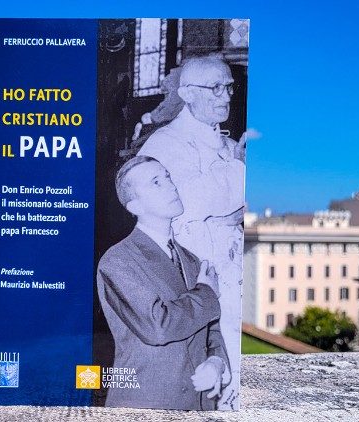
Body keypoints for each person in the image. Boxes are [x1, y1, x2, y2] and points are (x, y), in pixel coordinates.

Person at [137, 55, 245, 409]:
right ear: (186, 93)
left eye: (228, 87)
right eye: (214, 87)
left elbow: (237, 204)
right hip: (197, 268)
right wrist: (238, 172)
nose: (224, 96)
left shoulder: (227, 144)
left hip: (233, 261)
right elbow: (195, 202)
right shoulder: (164, 143)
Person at [96, 155, 230, 410]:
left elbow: (210, 328)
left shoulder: (191, 260)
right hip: (145, 405)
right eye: (156, 182)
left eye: (167, 177)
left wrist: (216, 362)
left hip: (198, 405)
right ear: (135, 205)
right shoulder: (117, 260)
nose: (171, 185)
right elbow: (158, 326)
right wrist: (206, 292)